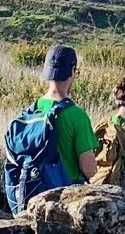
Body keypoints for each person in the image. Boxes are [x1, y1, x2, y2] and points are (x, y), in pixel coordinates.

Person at [36, 45, 98, 184]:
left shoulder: (33, 109)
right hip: (67, 193)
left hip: (36, 190)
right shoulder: (77, 115)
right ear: (72, 70)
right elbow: (89, 169)